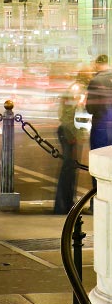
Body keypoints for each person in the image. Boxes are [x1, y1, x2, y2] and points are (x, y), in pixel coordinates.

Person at [55, 80, 82, 214]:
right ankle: (62, 206)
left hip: (69, 132)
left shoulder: (74, 90)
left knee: (70, 170)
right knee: (68, 170)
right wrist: (72, 134)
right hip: (69, 133)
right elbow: (67, 116)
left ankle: (66, 204)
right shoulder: (74, 91)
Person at [87, 54, 112, 150]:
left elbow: (90, 108)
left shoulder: (96, 80)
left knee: (99, 155)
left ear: (98, 64)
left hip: (101, 125)